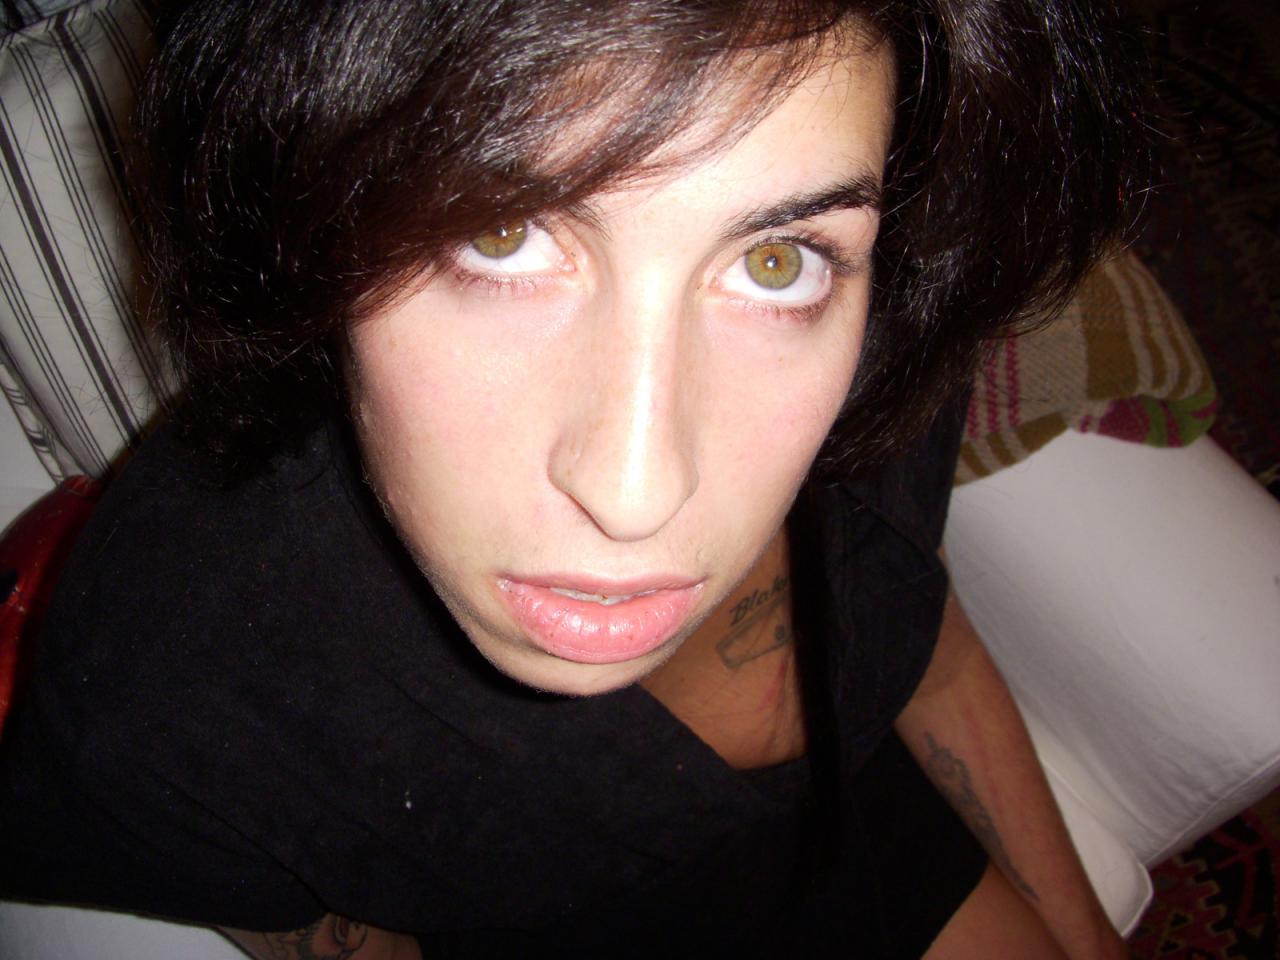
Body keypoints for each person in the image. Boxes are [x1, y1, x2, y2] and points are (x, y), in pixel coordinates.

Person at [0, 0, 1146, 956]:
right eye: (499, 235)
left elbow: (927, 650)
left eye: (773, 260)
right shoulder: (175, 687)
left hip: (866, 836)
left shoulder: (873, 368)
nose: (635, 492)